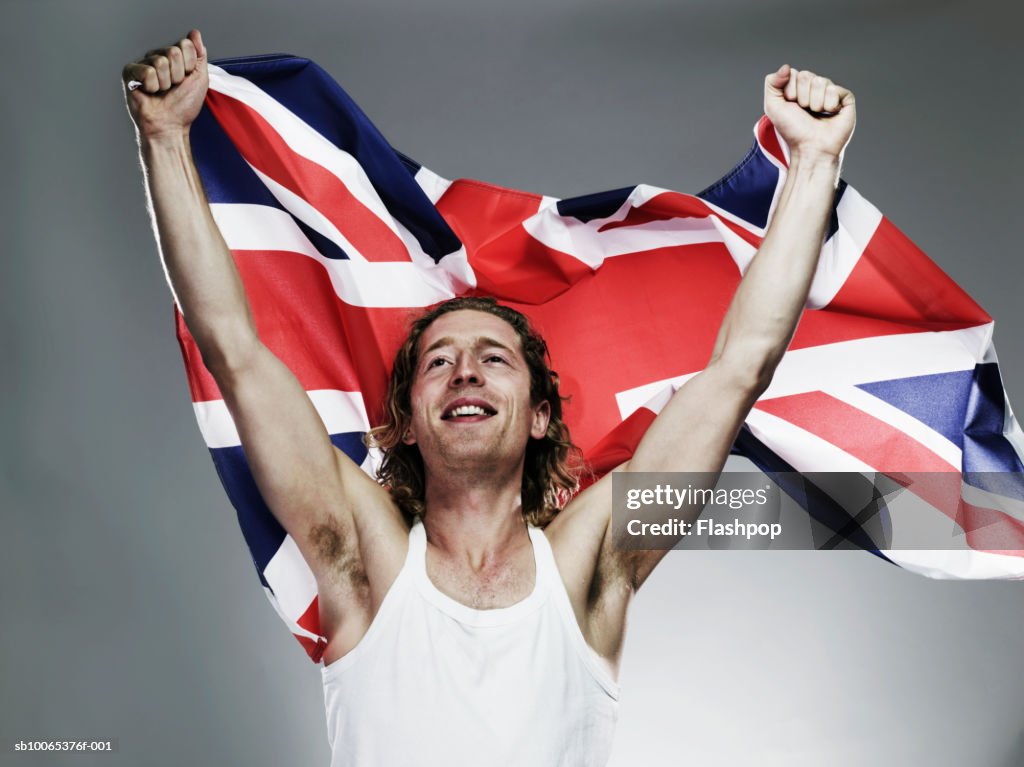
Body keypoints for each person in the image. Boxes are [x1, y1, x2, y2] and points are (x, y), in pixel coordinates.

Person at [123, 28, 855, 766]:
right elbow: (234, 350)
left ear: (540, 414)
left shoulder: (592, 564)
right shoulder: (362, 558)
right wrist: (165, 138)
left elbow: (740, 367)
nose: (464, 372)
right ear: (407, 421)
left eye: (493, 358)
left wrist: (815, 159)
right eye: (438, 361)